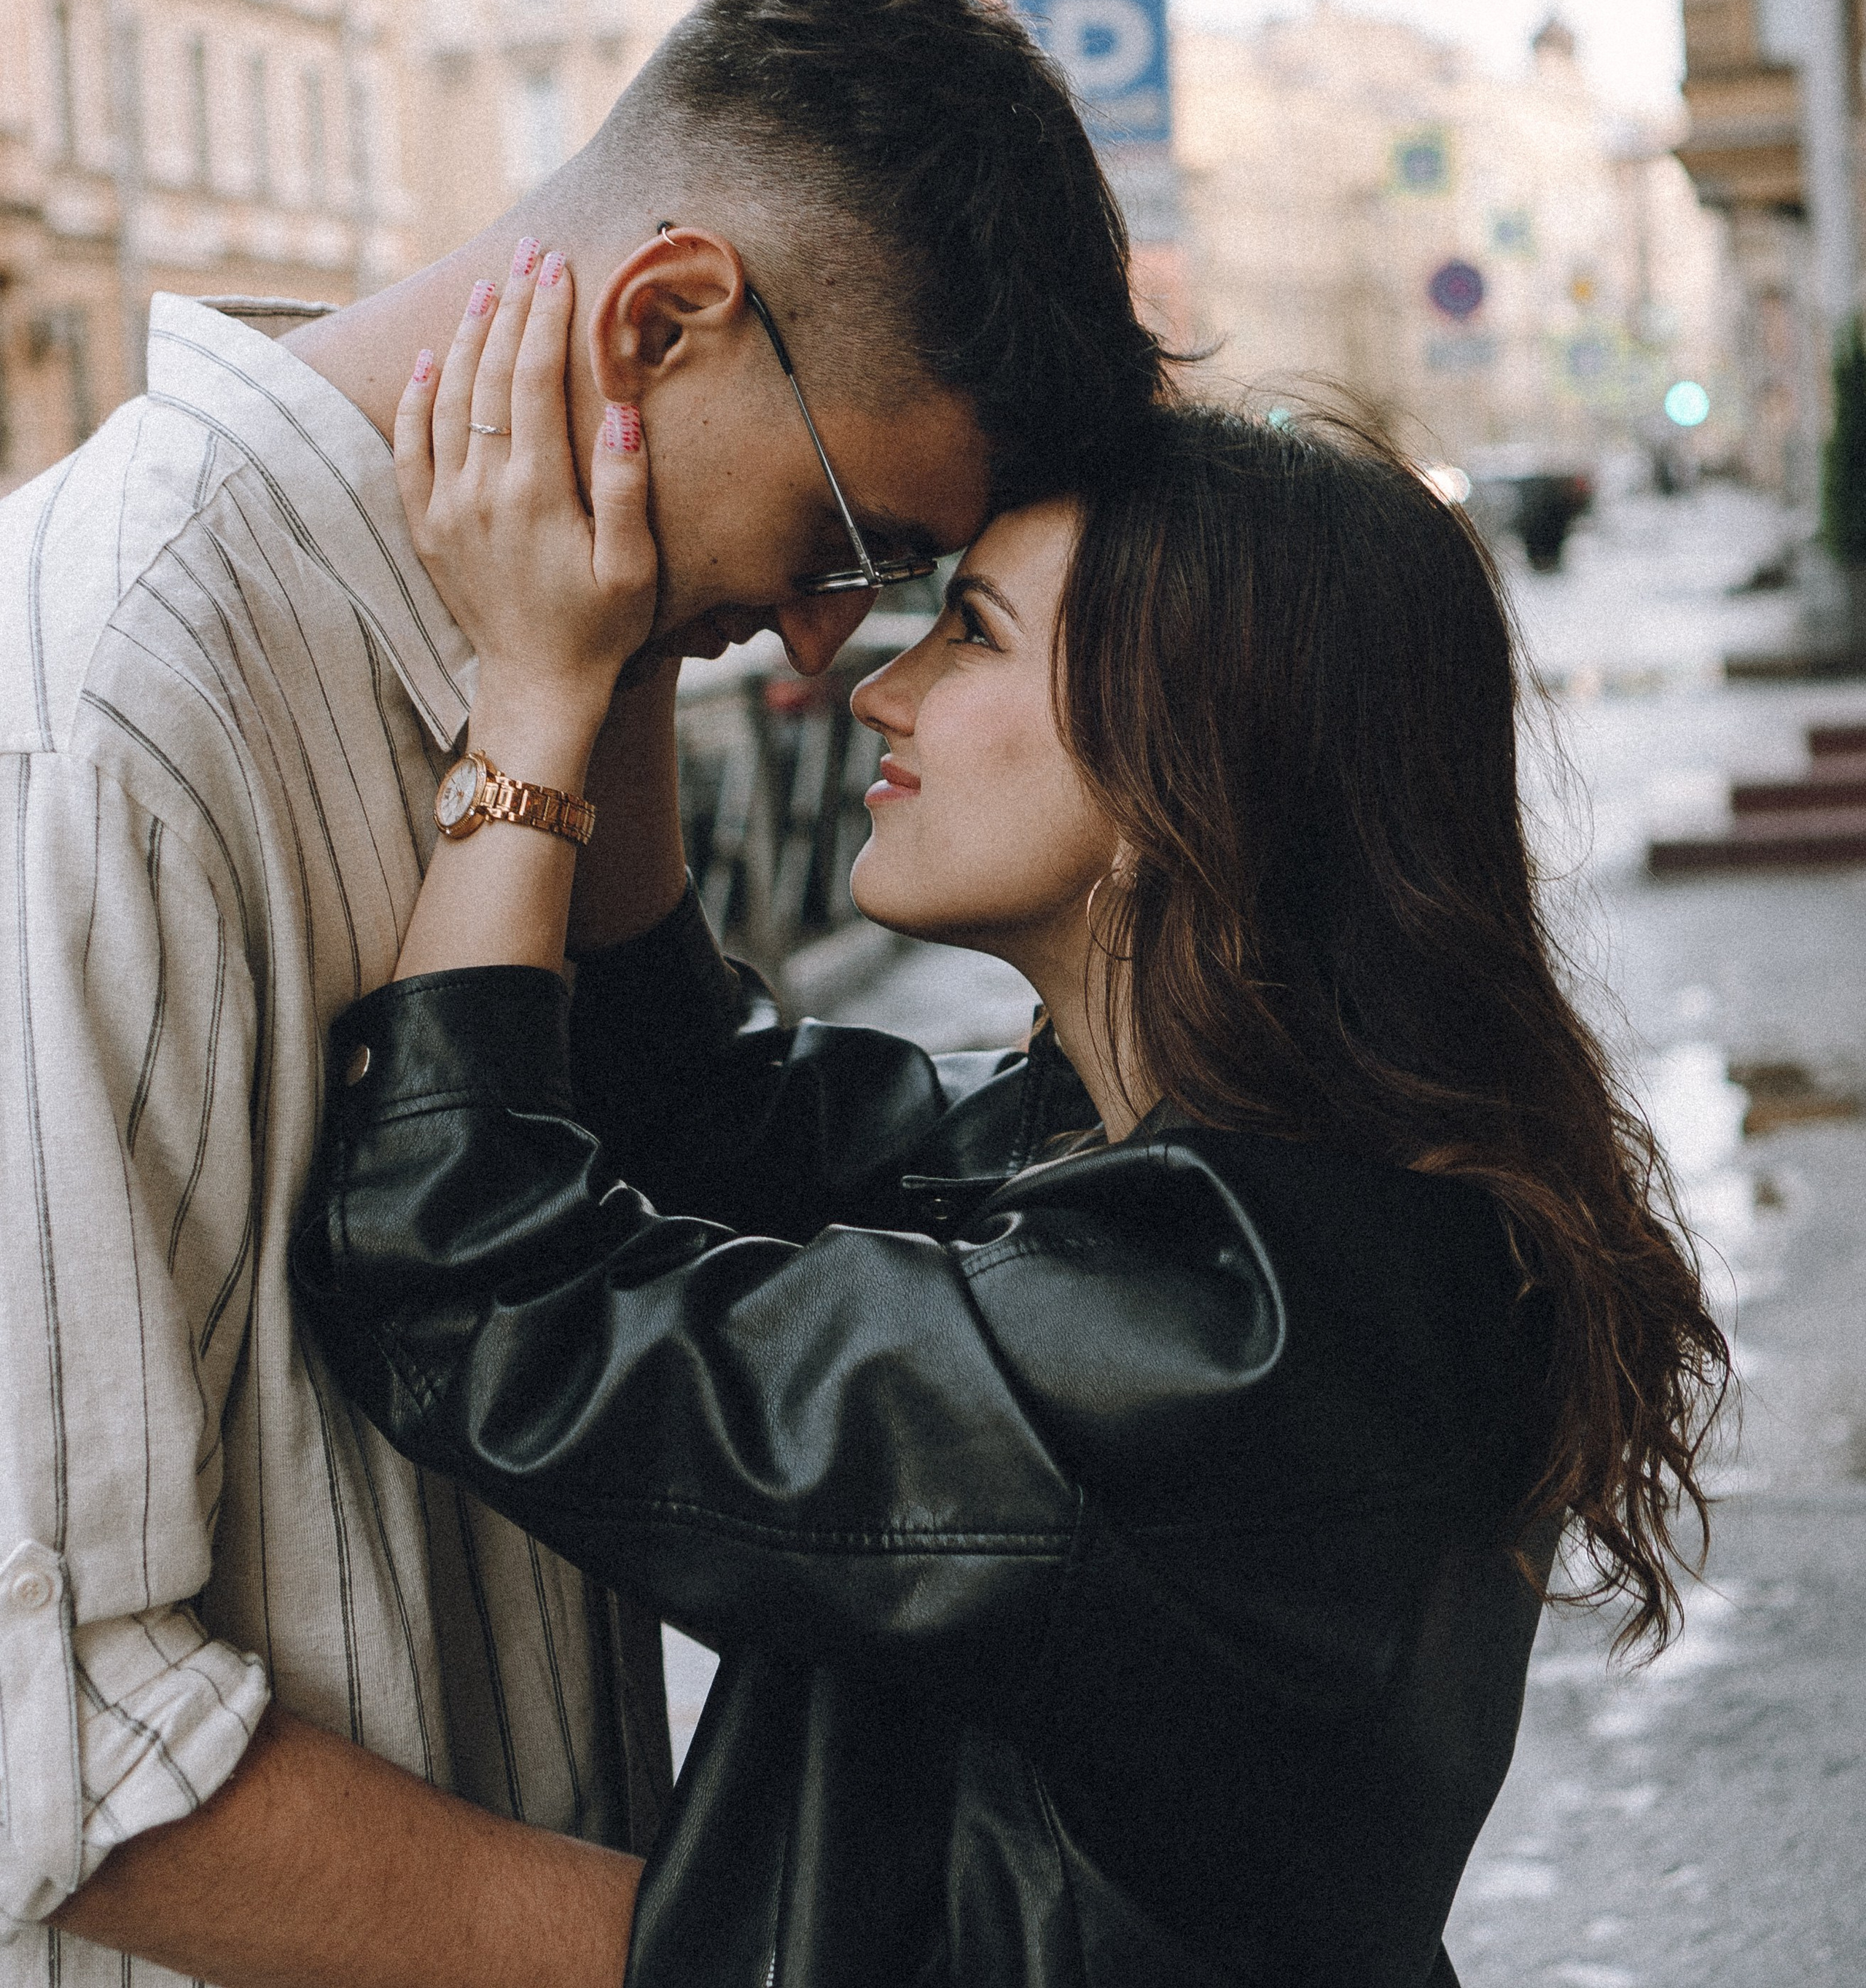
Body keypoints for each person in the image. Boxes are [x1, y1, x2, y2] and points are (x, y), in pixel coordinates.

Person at [294, 269, 1728, 1987]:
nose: (874, 694)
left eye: (968, 631)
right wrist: (654, 619)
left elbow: (468, 1281)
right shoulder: (1244, 1182)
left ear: (1178, 755)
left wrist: (529, 710)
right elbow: (702, 1120)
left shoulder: (1213, 1339)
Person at [0, 0, 1166, 1988]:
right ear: (665, 318)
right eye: (845, 541)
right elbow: (45, 1739)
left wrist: (597, 675)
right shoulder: (113, 713)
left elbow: (671, 1151)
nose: (826, 646)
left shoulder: (502, 646)